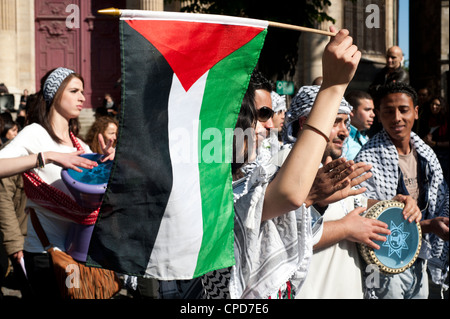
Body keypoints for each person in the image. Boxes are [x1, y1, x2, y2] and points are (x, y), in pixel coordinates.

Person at [202, 26, 363, 299]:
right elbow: (287, 195)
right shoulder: (210, 192)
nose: (268, 125)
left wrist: (317, 201)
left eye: (271, 112)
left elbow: (283, 234)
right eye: (261, 114)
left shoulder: (257, 173)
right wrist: (333, 87)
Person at [277, 85, 420, 299]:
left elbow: (355, 206)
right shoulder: (283, 167)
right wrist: (344, 229)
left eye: (346, 122)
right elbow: (279, 236)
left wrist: (395, 205)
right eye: (336, 122)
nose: (345, 131)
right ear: (305, 123)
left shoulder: (336, 166)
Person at [0, 67, 116, 298]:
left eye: (82, 91)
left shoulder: (80, 147)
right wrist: (47, 156)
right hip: (44, 254)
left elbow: (100, 199)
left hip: (78, 254)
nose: (82, 97)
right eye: (74, 91)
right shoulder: (34, 134)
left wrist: (109, 163)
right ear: (55, 94)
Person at [355, 82, 449, 299]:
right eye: (388, 111)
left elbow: (438, 202)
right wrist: (425, 225)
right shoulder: (367, 159)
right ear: (379, 116)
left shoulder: (427, 156)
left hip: (418, 257)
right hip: (380, 261)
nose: (396, 118)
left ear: (416, 112)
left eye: (403, 110)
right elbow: (358, 207)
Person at [422, 96, 449, 183]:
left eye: (437, 105)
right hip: (428, 154)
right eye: (432, 104)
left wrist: (435, 143)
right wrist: (425, 140)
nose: (434, 106)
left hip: (444, 156)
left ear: (442, 106)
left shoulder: (445, 120)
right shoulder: (425, 118)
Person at [343, 90, 375, 160]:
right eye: (367, 110)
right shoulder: (341, 139)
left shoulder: (365, 138)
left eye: (372, 110)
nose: (373, 114)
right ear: (352, 112)